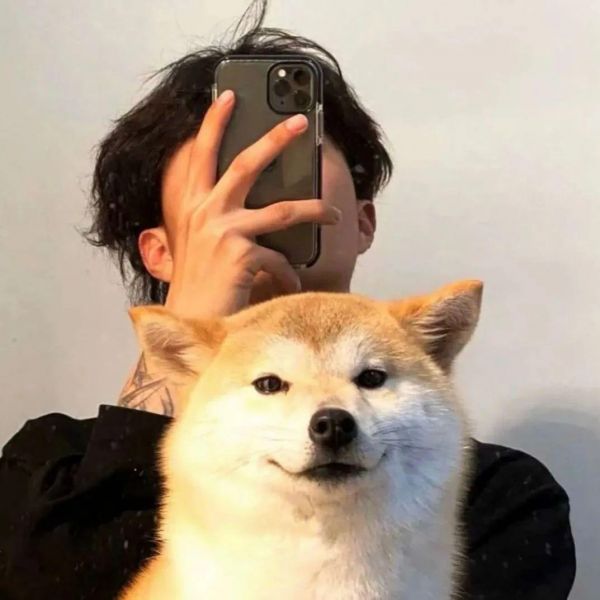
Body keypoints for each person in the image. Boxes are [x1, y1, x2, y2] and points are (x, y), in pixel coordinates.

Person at [0, 3, 575, 599]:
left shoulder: (504, 498)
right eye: (223, 175)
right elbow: (71, 576)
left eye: (289, 166)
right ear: (159, 251)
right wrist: (194, 333)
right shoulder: (44, 468)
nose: (261, 199)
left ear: (363, 222)